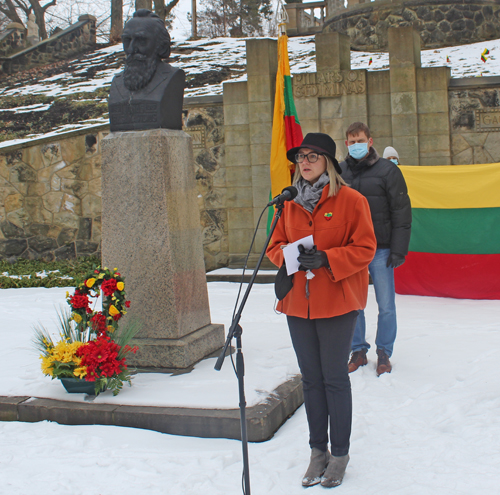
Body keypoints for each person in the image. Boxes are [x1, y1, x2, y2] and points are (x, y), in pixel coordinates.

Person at [266, 133, 377, 488]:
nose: (305, 162)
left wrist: (329, 257)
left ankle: (340, 455)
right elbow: (274, 246)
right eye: (300, 157)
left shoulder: (351, 200)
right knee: (311, 380)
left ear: (328, 161)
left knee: (333, 378)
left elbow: (365, 248)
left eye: (313, 156)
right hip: (298, 302)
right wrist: (294, 257)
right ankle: (318, 452)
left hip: (338, 301)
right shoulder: (289, 202)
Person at [340, 122, 412, 376]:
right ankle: (358, 350)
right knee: (353, 303)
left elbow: (401, 211)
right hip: (351, 249)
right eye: (351, 141)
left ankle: (384, 352)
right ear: (346, 144)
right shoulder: (339, 172)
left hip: (381, 248)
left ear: (370, 141)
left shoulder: (388, 171)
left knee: (386, 304)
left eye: (360, 140)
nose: (356, 145)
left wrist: (398, 249)